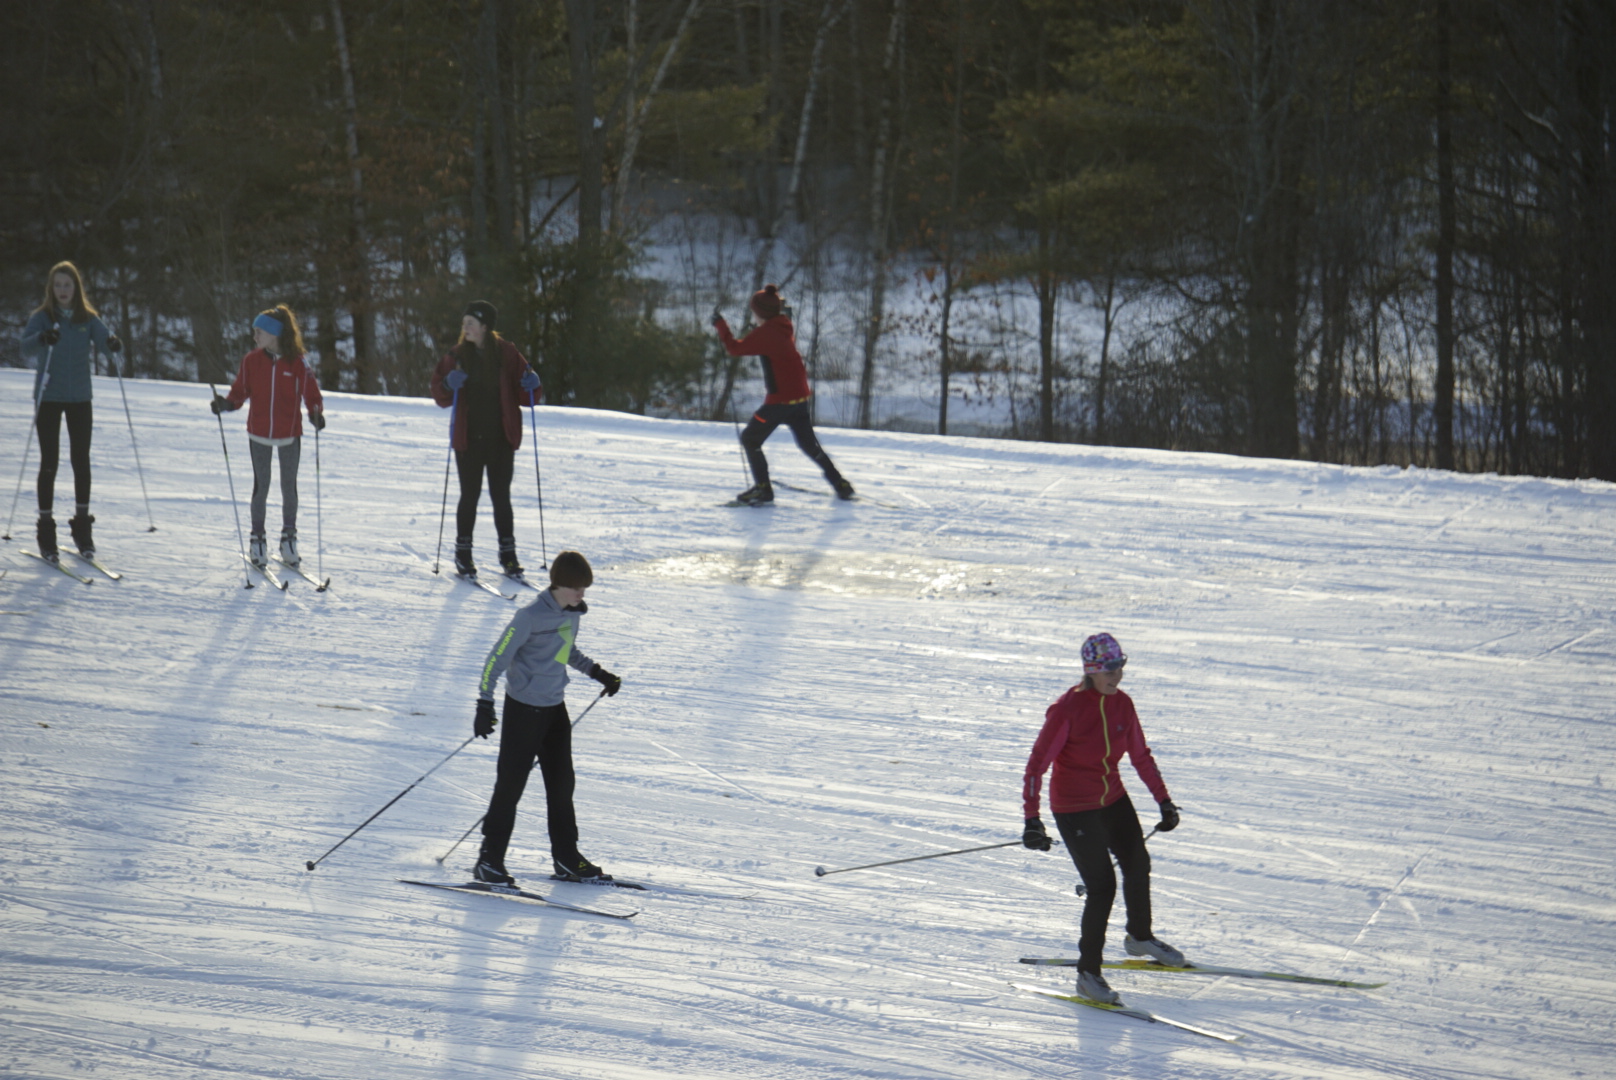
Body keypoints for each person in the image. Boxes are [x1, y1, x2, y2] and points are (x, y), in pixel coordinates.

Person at [1021, 632, 1184, 1005]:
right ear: (1091, 671)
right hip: (1075, 806)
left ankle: (1139, 937)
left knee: (1138, 863)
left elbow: (1141, 756)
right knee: (1102, 886)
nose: (1118, 676)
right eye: (1110, 669)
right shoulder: (1067, 710)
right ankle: (1087, 974)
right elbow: (1036, 767)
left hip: (1112, 797)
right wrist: (1032, 819)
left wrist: (1164, 801)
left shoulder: (1123, 704)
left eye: (1120, 667)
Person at [470, 550, 623, 885]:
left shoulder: (572, 614)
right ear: (560, 584)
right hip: (523, 710)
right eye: (578, 588)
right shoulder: (528, 617)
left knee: (561, 785)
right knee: (510, 787)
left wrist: (599, 673)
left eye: (584, 588)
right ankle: (489, 861)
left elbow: (565, 651)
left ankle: (567, 859)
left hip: (555, 709)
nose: (583, 594)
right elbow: (495, 659)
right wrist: (485, 704)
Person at [17, 261, 122, 562]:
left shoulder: (86, 318)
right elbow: (25, 348)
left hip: (79, 398)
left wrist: (113, 344)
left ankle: (82, 529)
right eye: (58, 285)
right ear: (51, 289)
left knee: (81, 461)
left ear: (76, 288)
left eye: (68, 285)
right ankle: (46, 531)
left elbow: (106, 341)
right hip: (49, 397)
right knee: (49, 461)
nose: (63, 290)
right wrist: (42, 339)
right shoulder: (42, 318)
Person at [712, 284, 853, 506]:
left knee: (750, 439)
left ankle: (762, 489)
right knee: (809, 445)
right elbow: (768, 336)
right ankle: (841, 484)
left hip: (781, 402)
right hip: (799, 398)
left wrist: (721, 326)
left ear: (760, 313)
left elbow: (734, 348)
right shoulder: (782, 325)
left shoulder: (767, 333)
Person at [430, 300, 542, 578]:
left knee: (501, 497)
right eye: (464, 322)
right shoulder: (456, 356)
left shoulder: (507, 353)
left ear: (485, 327)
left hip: (501, 437)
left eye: (471, 322)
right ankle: (463, 555)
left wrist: (533, 383)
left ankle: (509, 556)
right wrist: (446, 384)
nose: (465, 327)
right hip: (468, 439)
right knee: (470, 495)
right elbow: (438, 394)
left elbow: (527, 394)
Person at [210, 306, 325, 568]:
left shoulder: (298, 362)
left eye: (259, 332)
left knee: (288, 487)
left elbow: (312, 393)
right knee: (261, 486)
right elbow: (239, 392)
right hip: (259, 434)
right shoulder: (252, 361)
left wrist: (315, 413)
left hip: (289, 435)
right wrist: (226, 405)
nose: (255, 336)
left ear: (274, 334)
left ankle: (288, 539)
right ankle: (257, 540)